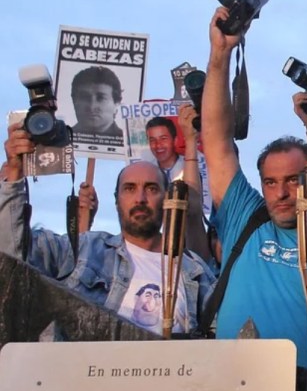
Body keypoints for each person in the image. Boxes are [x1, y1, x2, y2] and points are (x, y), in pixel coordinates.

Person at [203, 7, 307, 369]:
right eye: (270, 182)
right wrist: (220, 55)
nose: (281, 193)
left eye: (293, 181)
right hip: (226, 388)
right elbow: (217, 141)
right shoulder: (245, 218)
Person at [0, 125, 214, 336]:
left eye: (151, 189)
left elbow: (219, 335)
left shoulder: (193, 270)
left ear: (166, 199)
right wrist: (14, 172)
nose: (140, 199)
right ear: (116, 200)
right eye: (129, 188)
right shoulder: (84, 250)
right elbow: (13, 255)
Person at [70, 66, 124, 139]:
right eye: (84, 97)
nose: (92, 106)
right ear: (74, 101)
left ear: (116, 103)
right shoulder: (61, 139)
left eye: (101, 98)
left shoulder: (127, 142)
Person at [146, 116, 183, 183]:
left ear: (175, 141)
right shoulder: (147, 171)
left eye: (163, 139)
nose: (158, 145)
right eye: (152, 140)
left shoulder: (189, 166)